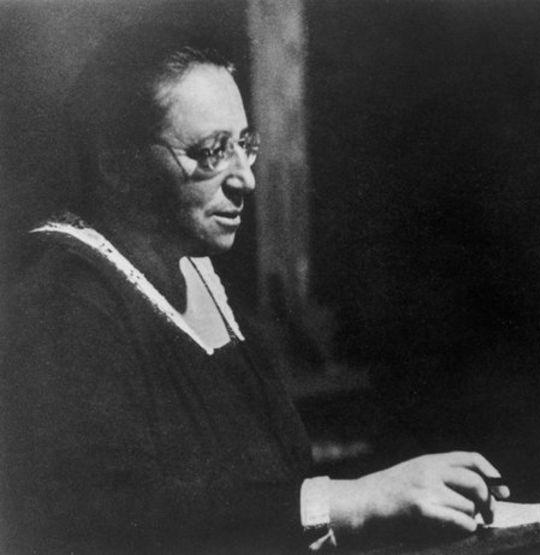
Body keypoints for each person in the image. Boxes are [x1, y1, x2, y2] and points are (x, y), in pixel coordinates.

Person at [1, 28, 509, 553]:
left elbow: (268, 494)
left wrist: (396, 497)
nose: (246, 179)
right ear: (118, 165)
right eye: (212, 151)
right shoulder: (60, 301)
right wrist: (354, 502)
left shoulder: (201, 277)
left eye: (244, 145)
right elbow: (106, 524)